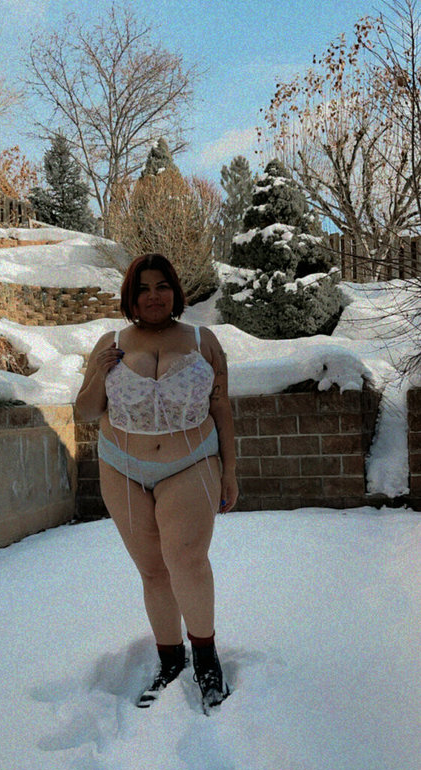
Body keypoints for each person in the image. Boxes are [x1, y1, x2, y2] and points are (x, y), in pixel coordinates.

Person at [76, 253, 238, 714]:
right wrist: (98, 372)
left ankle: (206, 661)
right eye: (143, 288)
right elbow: (85, 411)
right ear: (130, 296)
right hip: (121, 467)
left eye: (162, 286)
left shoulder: (204, 341)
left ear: (175, 291)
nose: (153, 296)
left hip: (191, 461)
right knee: (152, 570)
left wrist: (229, 471)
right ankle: (170, 661)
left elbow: (221, 408)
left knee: (187, 560)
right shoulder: (110, 343)